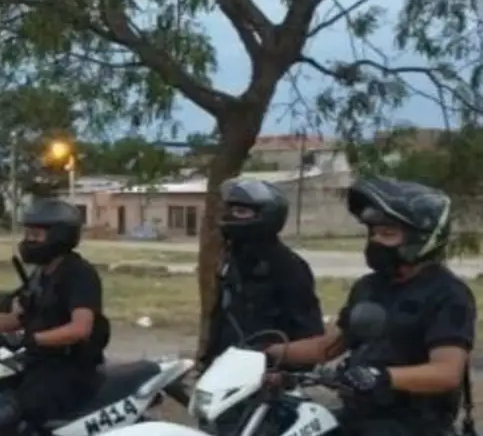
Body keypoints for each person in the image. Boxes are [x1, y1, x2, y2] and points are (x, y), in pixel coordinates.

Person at [265, 176, 475, 436]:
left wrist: (381, 377)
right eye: (373, 233)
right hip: (359, 419)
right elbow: (326, 347)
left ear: (421, 238)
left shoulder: (447, 294)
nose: (376, 241)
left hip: (415, 427)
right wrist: (268, 352)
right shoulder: (369, 287)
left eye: (388, 234)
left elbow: (446, 372)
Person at [0, 198, 107, 435]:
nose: (28, 241)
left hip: (70, 370)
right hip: (38, 362)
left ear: (59, 236)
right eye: (27, 234)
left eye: (35, 235)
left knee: (9, 415)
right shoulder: (41, 275)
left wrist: (33, 339)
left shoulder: (79, 275)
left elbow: (80, 328)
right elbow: (16, 320)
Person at [203, 178, 324, 365]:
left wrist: (281, 369)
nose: (231, 217)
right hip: (226, 368)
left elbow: (309, 334)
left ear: (267, 216)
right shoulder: (232, 260)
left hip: (267, 372)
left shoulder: (289, 267)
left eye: (241, 212)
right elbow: (221, 321)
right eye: (231, 210)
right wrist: (208, 361)